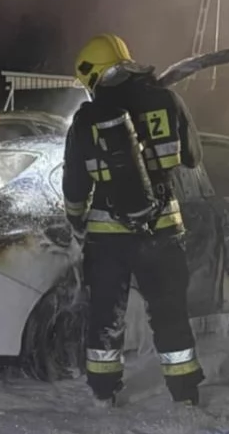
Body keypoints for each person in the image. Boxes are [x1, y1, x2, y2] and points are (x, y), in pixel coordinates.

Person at [62, 33, 205, 407]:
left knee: (106, 316)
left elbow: (75, 183)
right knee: (170, 313)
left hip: (107, 237)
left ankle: (103, 394)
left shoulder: (87, 117)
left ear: (92, 75)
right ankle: (185, 393)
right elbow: (192, 156)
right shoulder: (167, 99)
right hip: (162, 230)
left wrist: (75, 221)